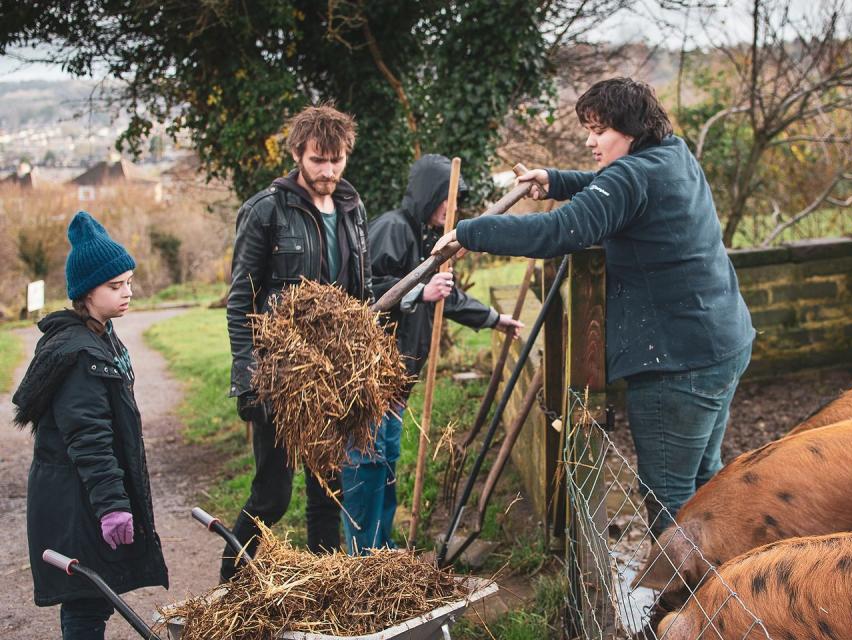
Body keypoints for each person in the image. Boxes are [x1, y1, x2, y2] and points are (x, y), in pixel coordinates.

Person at [433, 78, 755, 534]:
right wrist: (556, 180)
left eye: (599, 130)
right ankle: (723, 582)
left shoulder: (631, 175)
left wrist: (471, 233)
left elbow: (558, 231)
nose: (589, 140)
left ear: (631, 129)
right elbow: (614, 190)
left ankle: (688, 598)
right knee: (705, 479)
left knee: (669, 493)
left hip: (678, 364)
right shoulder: (671, 153)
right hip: (723, 343)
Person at [340, 154, 523, 553]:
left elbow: (446, 296)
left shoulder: (425, 236)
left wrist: (495, 320)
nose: (451, 209)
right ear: (430, 195)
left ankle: (380, 549)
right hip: (370, 379)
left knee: (386, 463)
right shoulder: (393, 229)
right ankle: (360, 556)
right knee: (366, 466)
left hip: (397, 382)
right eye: (447, 200)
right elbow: (365, 289)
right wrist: (419, 292)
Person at [223, 103, 373, 579]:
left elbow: (361, 296)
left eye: (336, 160)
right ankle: (230, 583)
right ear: (297, 154)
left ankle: (324, 589)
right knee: (273, 495)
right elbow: (240, 301)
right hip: (281, 375)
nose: (327, 171)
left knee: (329, 492)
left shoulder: (352, 208)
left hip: (332, 376)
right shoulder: (267, 210)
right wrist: (249, 380)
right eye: (317, 161)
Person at [13, 211, 168, 639]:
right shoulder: (81, 352)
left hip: (81, 497)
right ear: (86, 292)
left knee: (92, 602)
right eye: (115, 286)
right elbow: (89, 438)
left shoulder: (101, 336)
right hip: (77, 501)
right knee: (85, 606)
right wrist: (113, 506)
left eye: (129, 282)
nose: (127, 293)